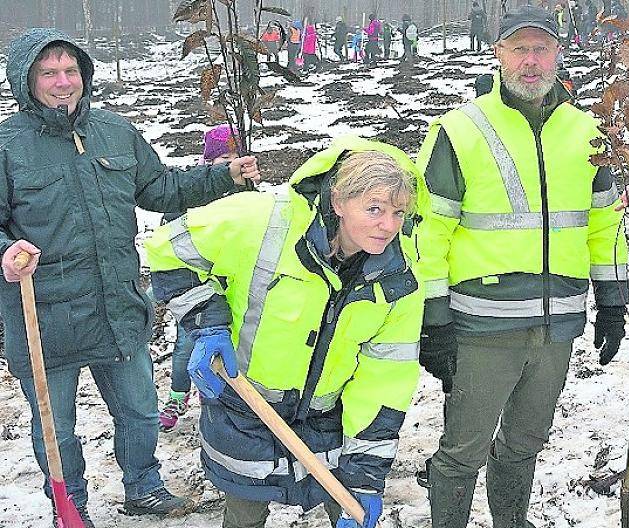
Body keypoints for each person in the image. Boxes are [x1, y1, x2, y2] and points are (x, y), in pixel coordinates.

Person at [0, 29, 261, 526]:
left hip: (117, 307)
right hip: (45, 317)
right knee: (57, 429)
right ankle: (69, 506)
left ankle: (143, 487)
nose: (62, 82)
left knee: (140, 411)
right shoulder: (7, 146)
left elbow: (160, 189)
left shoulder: (115, 132)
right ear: (26, 80)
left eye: (70, 71)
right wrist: (6, 251)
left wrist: (222, 176)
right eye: (49, 73)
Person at [415, 6, 628, 527]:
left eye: (541, 49)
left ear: (558, 53)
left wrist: (612, 301)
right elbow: (428, 232)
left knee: (526, 441)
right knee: (463, 449)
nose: (530, 62)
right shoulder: (460, 131)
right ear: (498, 54)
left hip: (557, 327)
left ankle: (510, 521)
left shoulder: (588, 132)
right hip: (482, 327)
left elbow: (605, 224)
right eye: (519, 49)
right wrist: (433, 318)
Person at [145, 136, 423, 528]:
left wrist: (365, 477)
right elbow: (169, 249)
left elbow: (385, 381)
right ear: (338, 201)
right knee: (244, 515)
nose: (388, 226)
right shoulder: (262, 220)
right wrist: (208, 324)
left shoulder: (399, 279)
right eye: (374, 208)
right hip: (246, 408)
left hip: (329, 420)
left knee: (349, 509)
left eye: (398, 212)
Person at [157, 125, 241, 433]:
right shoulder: (191, 192)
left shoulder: (245, 194)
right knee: (185, 347)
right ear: (208, 161)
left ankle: (218, 399)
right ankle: (177, 397)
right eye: (224, 159)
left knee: (231, 347)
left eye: (236, 157)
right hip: (194, 289)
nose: (231, 163)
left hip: (232, 285)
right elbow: (169, 238)